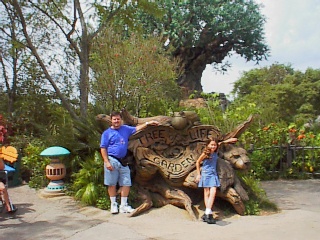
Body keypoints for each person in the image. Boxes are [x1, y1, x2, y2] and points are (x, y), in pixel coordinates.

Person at [100, 111, 159, 214]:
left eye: (118, 119)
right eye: (114, 119)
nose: (116, 121)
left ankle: (123, 205)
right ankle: (113, 204)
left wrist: (148, 123)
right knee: (111, 184)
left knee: (126, 183)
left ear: (121, 120)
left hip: (123, 161)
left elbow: (137, 128)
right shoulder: (107, 133)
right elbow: (103, 148)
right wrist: (106, 161)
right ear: (111, 120)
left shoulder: (125, 129)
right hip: (112, 160)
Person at [195, 137, 237, 224]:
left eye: (214, 145)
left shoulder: (215, 151)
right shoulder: (206, 153)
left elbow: (220, 143)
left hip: (213, 174)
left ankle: (207, 212)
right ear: (208, 145)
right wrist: (199, 175)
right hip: (206, 174)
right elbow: (198, 162)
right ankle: (208, 214)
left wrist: (229, 140)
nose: (213, 146)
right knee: (207, 193)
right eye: (211, 145)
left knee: (213, 192)